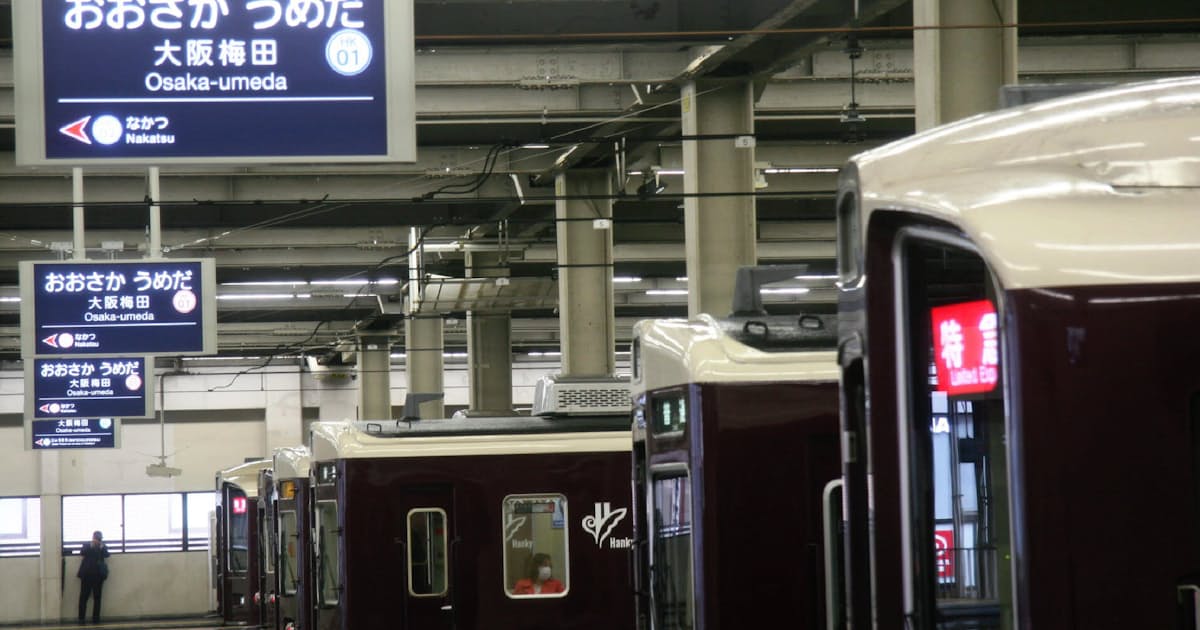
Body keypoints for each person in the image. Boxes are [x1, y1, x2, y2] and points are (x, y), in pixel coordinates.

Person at [77, 530, 110, 624]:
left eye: (99, 539)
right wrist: (92, 545)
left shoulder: (102, 546)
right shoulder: (87, 545)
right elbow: (82, 552)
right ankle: (81, 618)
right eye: (96, 538)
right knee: (83, 597)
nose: (98, 540)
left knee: (97, 597)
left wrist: (102, 546)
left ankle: (96, 618)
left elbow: (107, 555)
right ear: (93, 537)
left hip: (98, 576)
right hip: (87, 575)